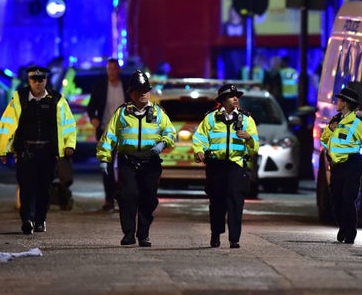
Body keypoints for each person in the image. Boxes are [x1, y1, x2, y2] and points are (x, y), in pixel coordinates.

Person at [97, 70, 176, 247]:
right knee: (128, 195)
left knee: (148, 199)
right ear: (131, 93)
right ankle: (129, 233)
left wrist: (163, 143)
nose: (143, 94)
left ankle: (144, 234)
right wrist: (104, 158)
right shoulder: (122, 113)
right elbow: (110, 136)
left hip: (151, 163)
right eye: (139, 91)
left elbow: (170, 132)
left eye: (146, 90)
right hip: (128, 161)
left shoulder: (158, 112)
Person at [0, 65, 77, 235]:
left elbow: (68, 124)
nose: (38, 83)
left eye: (41, 80)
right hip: (27, 151)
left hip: (48, 152)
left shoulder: (57, 100)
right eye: (34, 80)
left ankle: (40, 220)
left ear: (46, 80)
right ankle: (27, 220)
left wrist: (69, 144)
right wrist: (2, 149)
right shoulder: (20, 98)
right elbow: (7, 125)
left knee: (43, 188)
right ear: (29, 81)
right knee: (26, 187)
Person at [320, 83, 362, 245]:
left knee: (348, 199)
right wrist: (330, 129)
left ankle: (349, 232)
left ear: (344, 103)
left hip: (352, 164)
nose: (337, 103)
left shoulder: (359, 123)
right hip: (336, 166)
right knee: (336, 201)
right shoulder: (335, 120)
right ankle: (343, 227)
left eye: (339, 100)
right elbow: (324, 141)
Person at [192, 84, 259, 249]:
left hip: (236, 164)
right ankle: (216, 234)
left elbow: (255, 147)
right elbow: (199, 137)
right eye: (231, 96)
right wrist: (199, 150)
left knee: (236, 201)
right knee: (216, 201)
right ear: (222, 100)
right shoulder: (211, 118)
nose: (236, 99)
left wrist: (249, 138)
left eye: (237, 96)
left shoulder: (247, 119)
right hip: (216, 165)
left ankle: (234, 238)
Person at [87, 58, 127, 211]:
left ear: (119, 70)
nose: (112, 72)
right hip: (106, 131)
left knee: (125, 167)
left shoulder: (127, 86)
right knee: (107, 167)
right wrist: (94, 118)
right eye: (109, 69)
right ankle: (109, 199)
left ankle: (123, 197)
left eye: (114, 69)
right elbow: (91, 107)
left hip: (125, 133)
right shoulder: (100, 86)